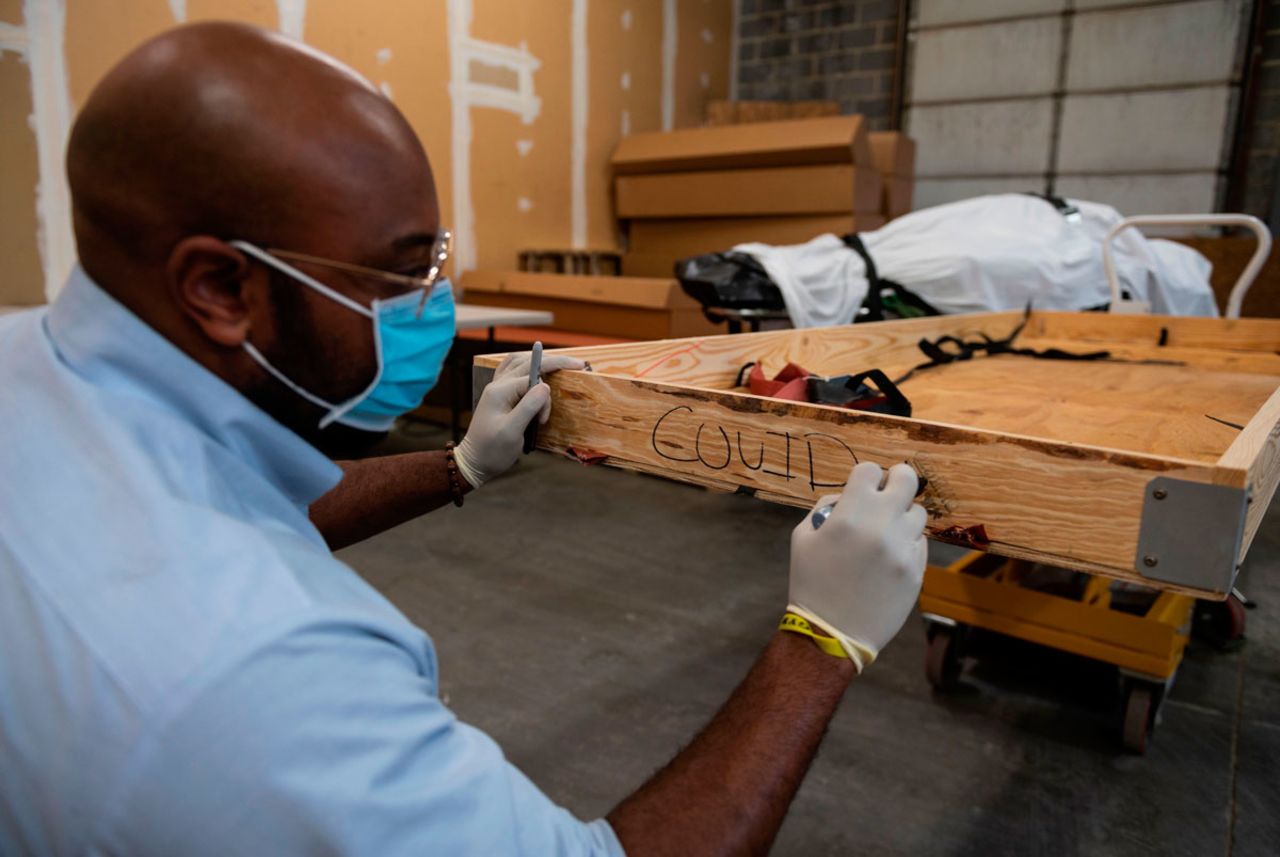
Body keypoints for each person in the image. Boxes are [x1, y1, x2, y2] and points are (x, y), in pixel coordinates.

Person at [0, 22, 927, 856]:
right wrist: (822, 638)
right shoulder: (268, 680)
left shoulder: (28, 363)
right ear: (219, 289)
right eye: (404, 271)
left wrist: (458, 464)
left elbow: (243, 506)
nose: (433, 305)